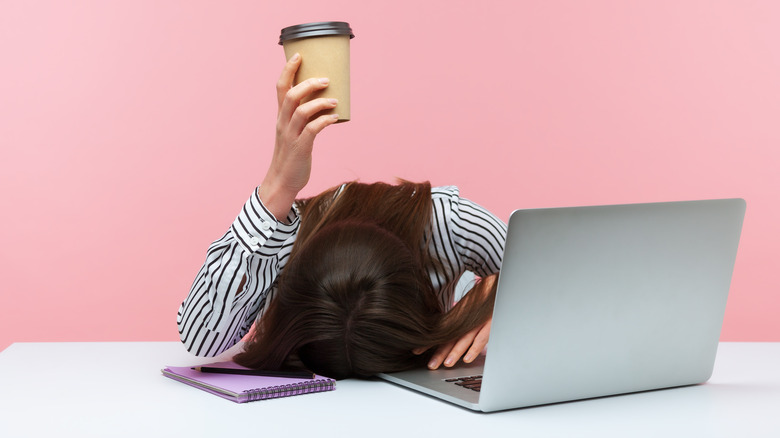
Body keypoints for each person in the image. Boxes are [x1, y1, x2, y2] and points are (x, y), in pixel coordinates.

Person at [177, 53, 507, 379]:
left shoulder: (449, 224)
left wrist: (507, 298)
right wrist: (275, 191)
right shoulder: (281, 243)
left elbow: (555, 277)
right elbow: (201, 336)